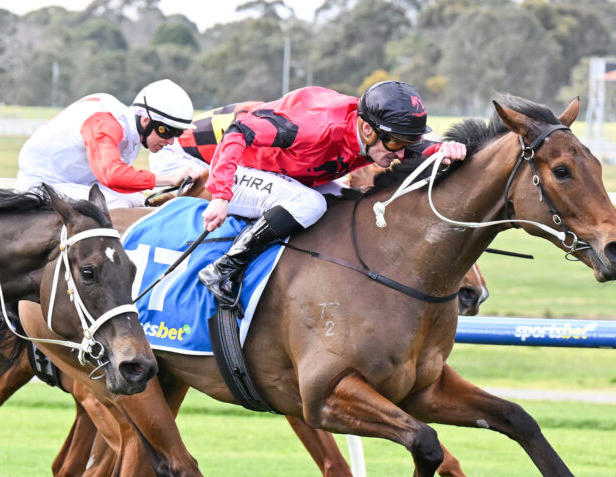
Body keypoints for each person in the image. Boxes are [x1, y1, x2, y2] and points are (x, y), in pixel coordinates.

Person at [188, 81, 468, 310]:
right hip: (240, 172)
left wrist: (442, 149)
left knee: (355, 202)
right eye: (396, 143)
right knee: (310, 204)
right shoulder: (314, 128)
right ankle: (225, 267)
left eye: (408, 142)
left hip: (289, 177)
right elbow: (237, 132)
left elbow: (412, 147)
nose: (401, 154)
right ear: (367, 129)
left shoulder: (375, 131)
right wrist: (221, 195)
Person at [15, 79, 201, 208]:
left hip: (76, 181)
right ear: (145, 120)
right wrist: (170, 179)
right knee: (116, 206)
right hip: (42, 183)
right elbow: (111, 175)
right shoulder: (105, 123)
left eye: (178, 133)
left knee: (138, 201)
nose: (171, 141)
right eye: (167, 131)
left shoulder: (130, 129)